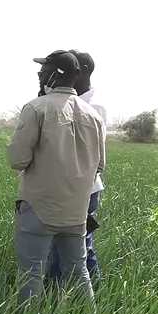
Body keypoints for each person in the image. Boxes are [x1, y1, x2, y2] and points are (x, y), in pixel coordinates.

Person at [7, 50, 105, 314]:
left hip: (39, 208)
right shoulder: (93, 115)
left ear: (54, 74)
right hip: (76, 212)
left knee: (31, 273)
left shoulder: (36, 108)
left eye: (42, 72)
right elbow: (99, 165)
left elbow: (17, 159)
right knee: (79, 270)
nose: (39, 77)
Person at [46, 50, 106, 290]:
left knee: (72, 243)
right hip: (67, 187)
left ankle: (61, 295)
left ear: (79, 72)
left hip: (81, 189)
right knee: (78, 242)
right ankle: (81, 293)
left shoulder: (94, 108)